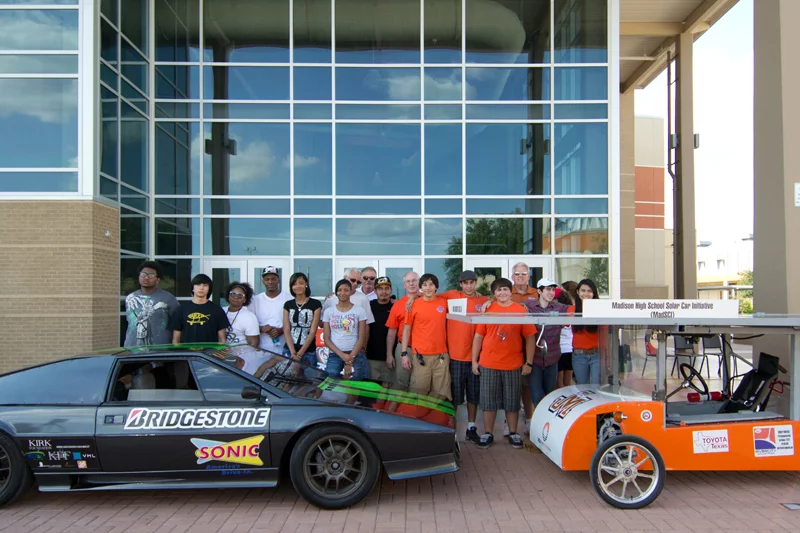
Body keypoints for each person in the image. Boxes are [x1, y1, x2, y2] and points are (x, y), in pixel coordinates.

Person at [471, 278, 536, 450]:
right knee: (488, 400)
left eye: (506, 289)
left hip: (514, 363)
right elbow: (478, 337)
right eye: (499, 290)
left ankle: (514, 432)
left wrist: (528, 362)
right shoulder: (487, 310)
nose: (502, 293)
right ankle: (488, 433)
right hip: (489, 363)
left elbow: (530, 337)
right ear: (494, 293)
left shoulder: (520, 310)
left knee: (512, 400)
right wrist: (474, 361)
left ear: (510, 291)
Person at [400, 273, 451, 400]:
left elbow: (462, 297)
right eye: (424, 285)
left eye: (431, 284)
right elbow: (406, 330)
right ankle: (417, 419)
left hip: (441, 356)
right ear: (421, 287)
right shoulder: (414, 305)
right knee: (418, 394)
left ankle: (435, 419)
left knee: (440, 394)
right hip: (421, 356)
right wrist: (404, 353)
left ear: (436, 287)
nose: (428, 288)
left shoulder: (444, 303)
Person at [525, 278, 573, 406]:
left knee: (550, 395)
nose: (551, 292)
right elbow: (509, 307)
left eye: (553, 289)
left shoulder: (560, 308)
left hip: (552, 358)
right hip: (535, 359)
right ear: (539, 291)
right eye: (548, 289)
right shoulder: (529, 306)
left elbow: (576, 309)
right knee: (537, 396)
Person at [322, 279, 369, 381]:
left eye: (346, 290)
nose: (342, 293)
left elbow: (362, 337)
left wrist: (350, 358)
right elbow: (327, 339)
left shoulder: (359, 310)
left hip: (355, 354)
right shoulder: (328, 311)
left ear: (350, 292)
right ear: (336, 292)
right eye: (339, 290)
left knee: (355, 385)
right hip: (335, 355)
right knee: (330, 381)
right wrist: (342, 355)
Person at [124, 261, 179, 347]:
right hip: (131, 350)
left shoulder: (168, 298)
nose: (146, 277)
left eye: (151, 275)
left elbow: (178, 325)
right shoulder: (130, 298)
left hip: (160, 352)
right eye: (143, 274)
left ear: (158, 280)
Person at [384, 271, 421, 390]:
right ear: (404, 285)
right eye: (408, 281)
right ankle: (398, 409)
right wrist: (389, 354)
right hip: (405, 349)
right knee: (401, 383)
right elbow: (391, 332)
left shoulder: (427, 301)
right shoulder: (398, 304)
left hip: (424, 350)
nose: (411, 284)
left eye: (414, 280)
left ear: (419, 282)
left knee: (419, 386)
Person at [171, 274, 229, 344]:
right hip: (187, 353)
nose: (201, 288)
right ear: (193, 287)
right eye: (198, 285)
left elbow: (222, 340)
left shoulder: (217, 310)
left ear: (209, 289)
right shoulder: (181, 309)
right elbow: (175, 340)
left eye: (205, 285)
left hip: (209, 354)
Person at [250, 267, 293, 355]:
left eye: (273, 279)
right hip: (261, 349)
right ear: (263, 281)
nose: (270, 282)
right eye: (267, 279)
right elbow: (249, 324)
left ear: (278, 280)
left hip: (284, 349)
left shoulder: (289, 299)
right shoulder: (255, 300)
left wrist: (281, 330)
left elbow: (294, 323)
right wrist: (262, 328)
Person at [283, 272, 322, 368]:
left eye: (301, 283)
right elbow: (287, 329)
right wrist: (293, 353)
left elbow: (313, 331)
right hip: (289, 350)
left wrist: (299, 354)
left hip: (308, 351)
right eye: (294, 284)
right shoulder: (288, 305)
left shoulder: (315, 304)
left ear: (306, 284)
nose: (298, 286)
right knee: (287, 380)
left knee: (308, 381)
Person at [366, 276, 395, 385]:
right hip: (372, 357)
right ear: (375, 291)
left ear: (391, 290)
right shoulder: (369, 306)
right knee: (372, 390)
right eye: (380, 288)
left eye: (387, 288)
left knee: (388, 390)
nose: (384, 291)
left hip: (391, 357)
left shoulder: (396, 306)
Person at [572, 279, 601, 385]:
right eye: (583, 290)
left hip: (597, 354)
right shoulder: (571, 310)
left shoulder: (601, 310)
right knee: (582, 388)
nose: (586, 294)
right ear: (577, 292)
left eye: (589, 291)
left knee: (596, 387)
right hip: (579, 355)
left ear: (594, 293)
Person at [223, 282, 259, 347]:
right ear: (228, 296)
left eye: (240, 295)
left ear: (245, 300)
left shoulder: (249, 317)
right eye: (233, 294)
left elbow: (253, 344)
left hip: (241, 355)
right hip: (219, 354)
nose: (236, 297)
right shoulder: (221, 311)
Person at [556, 290, 575, 388]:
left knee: (559, 383)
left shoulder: (557, 313)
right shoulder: (572, 311)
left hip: (560, 350)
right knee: (568, 382)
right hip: (570, 349)